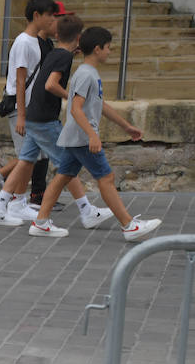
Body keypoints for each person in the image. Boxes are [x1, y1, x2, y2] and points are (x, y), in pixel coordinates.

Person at [29, 27, 161, 242]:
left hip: (76, 136)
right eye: (108, 47)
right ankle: (129, 225)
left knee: (63, 177)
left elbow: (100, 105)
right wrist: (92, 135)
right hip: (82, 137)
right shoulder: (86, 75)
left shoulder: (88, 73)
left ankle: (41, 222)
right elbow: (76, 109)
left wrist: (126, 126)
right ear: (97, 49)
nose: (110, 51)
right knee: (106, 178)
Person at [20, 14, 114, 231]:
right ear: (79, 38)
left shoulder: (56, 52)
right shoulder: (65, 57)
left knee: (26, 160)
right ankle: (86, 210)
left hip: (35, 115)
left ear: (57, 34)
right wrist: (71, 96)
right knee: (65, 168)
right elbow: (51, 84)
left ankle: (1, 201)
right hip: (45, 119)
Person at [0, 0, 58, 225]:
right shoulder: (23, 43)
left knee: (32, 155)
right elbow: (20, 81)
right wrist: (22, 115)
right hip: (22, 108)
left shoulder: (33, 42)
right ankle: (1, 193)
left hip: (30, 108)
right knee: (27, 157)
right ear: (36, 15)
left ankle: (10, 196)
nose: (52, 19)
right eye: (49, 15)